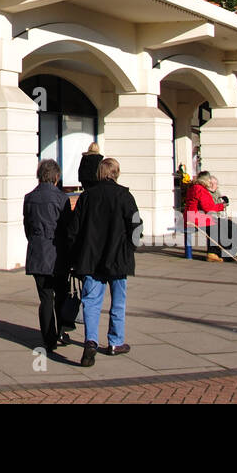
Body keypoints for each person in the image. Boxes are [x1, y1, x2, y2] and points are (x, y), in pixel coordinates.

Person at [67, 157, 140, 366]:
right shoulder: (124, 196)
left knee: (91, 301)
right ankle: (115, 342)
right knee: (118, 301)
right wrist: (130, 248)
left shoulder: (87, 197)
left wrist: (75, 255)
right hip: (117, 257)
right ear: (116, 173)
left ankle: (90, 340)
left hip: (91, 258)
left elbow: (74, 230)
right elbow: (136, 225)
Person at [24, 159, 73, 354]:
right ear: (56, 177)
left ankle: (49, 337)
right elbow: (68, 229)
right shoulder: (62, 199)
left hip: (38, 252)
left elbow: (27, 226)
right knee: (61, 295)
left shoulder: (29, 198)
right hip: (58, 253)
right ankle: (61, 330)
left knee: (45, 298)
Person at [184, 171, 237, 261]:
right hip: (195, 218)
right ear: (205, 180)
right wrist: (222, 206)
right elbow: (208, 208)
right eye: (209, 180)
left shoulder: (196, 188)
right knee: (217, 226)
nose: (210, 182)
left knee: (228, 223)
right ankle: (216, 252)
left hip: (194, 216)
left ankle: (231, 249)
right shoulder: (200, 189)